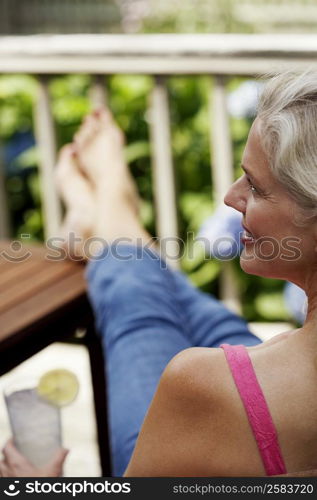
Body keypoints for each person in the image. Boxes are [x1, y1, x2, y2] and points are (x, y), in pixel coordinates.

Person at [2, 70, 317, 477]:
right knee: (199, 315)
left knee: (140, 311)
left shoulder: (198, 385)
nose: (230, 196)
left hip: (242, 421)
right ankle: (121, 231)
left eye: (255, 187)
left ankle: (112, 223)